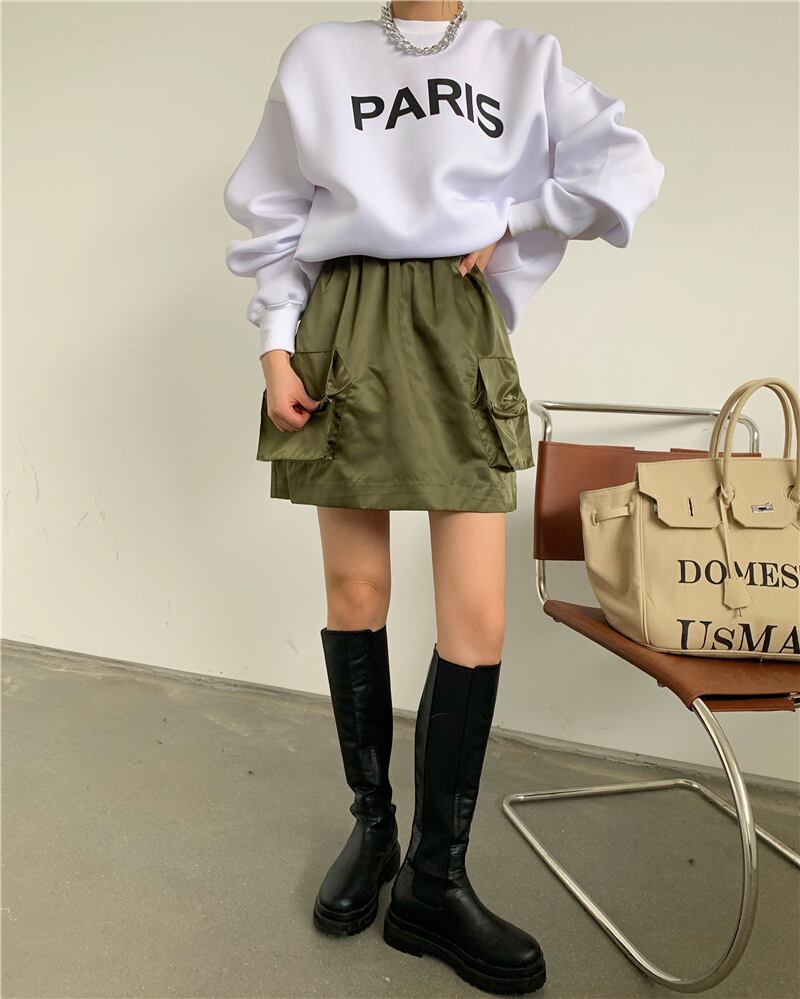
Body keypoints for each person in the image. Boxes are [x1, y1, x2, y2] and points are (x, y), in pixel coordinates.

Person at [223, 1, 665, 993]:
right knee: (355, 596)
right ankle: (374, 828)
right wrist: (274, 343)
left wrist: (519, 218)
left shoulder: (521, 58)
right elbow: (277, 207)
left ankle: (435, 877)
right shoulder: (321, 55)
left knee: (476, 618)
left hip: (455, 330)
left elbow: (626, 165)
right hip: (342, 319)